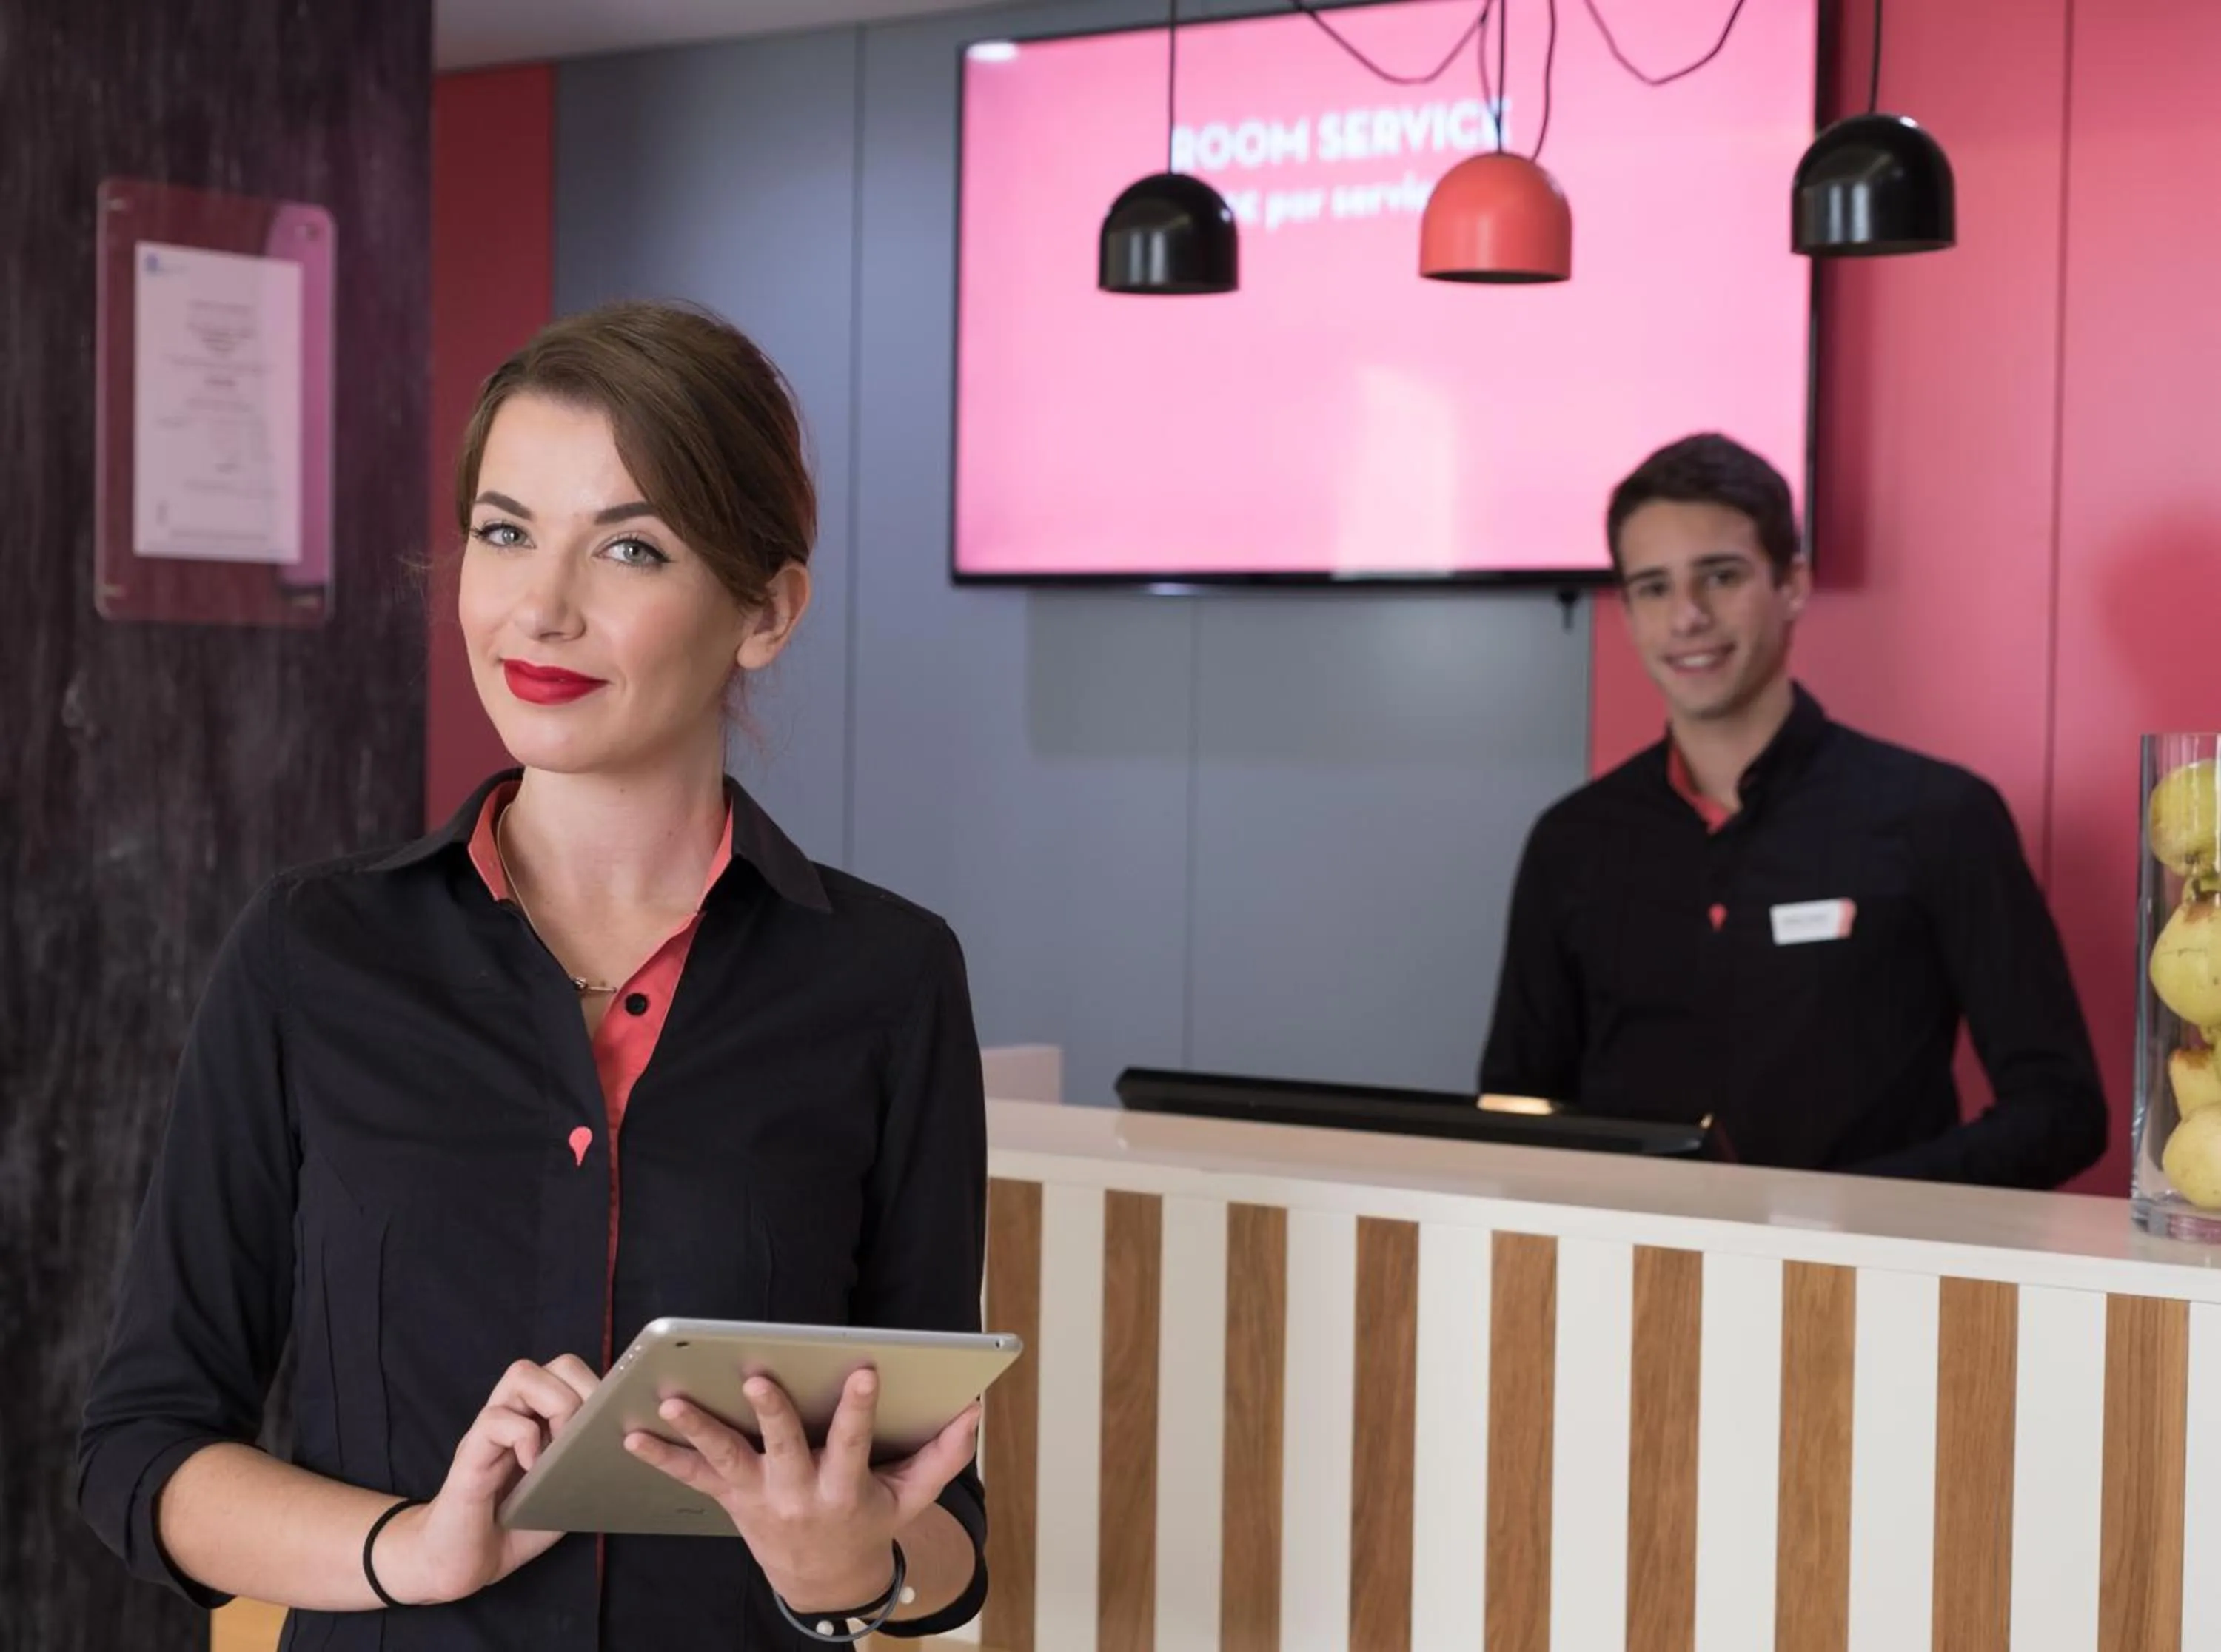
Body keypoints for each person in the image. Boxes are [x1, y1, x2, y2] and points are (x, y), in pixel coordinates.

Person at [77, 300, 991, 1647]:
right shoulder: (310, 954)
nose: (541, 608)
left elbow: (941, 1518)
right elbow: (140, 1449)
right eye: (505, 533)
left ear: (766, 610)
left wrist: (846, 1565)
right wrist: (412, 1550)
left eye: (630, 547)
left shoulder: (889, 979)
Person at [1479, 433, 2106, 1187]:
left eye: (1720, 576)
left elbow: (2061, 1110)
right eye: (1653, 587)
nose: (1687, 617)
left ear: (1793, 584)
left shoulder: (1940, 816)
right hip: (1626, 1289)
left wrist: (1846, 1214)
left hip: (1866, 1287)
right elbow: (1511, 1113)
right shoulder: (1571, 842)